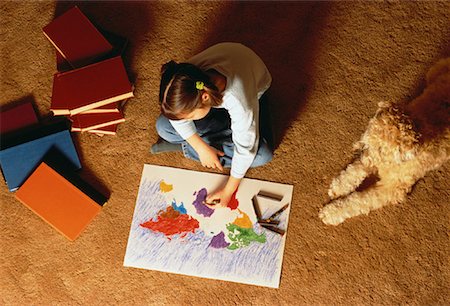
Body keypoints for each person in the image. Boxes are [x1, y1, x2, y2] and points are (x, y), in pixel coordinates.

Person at [151, 42, 273, 208]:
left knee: (262, 155)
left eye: (190, 115)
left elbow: (245, 150)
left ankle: (184, 147)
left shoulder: (238, 99)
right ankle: (205, 145)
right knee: (163, 126)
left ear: (204, 97)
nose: (185, 119)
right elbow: (176, 117)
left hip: (254, 96)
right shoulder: (187, 76)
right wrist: (201, 148)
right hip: (214, 104)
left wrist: (228, 191)